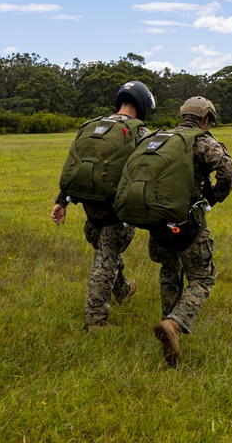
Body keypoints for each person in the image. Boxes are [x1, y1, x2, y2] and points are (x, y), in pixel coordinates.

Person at [51, 82, 155, 330]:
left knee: (105, 250)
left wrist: (62, 201)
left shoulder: (93, 126)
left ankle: (123, 290)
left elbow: (76, 166)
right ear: (142, 105)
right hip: (117, 214)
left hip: (90, 210)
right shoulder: (139, 133)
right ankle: (96, 323)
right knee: (105, 261)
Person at [148, 97, 232, 367]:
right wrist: (213, 197)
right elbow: (227, 173)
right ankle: (175, 324)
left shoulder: (159, 138)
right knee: (203, 277)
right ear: (206, 119)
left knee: (169, 270)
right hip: (188, 222)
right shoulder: (203, 141)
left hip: (157, 221)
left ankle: (168, 326)